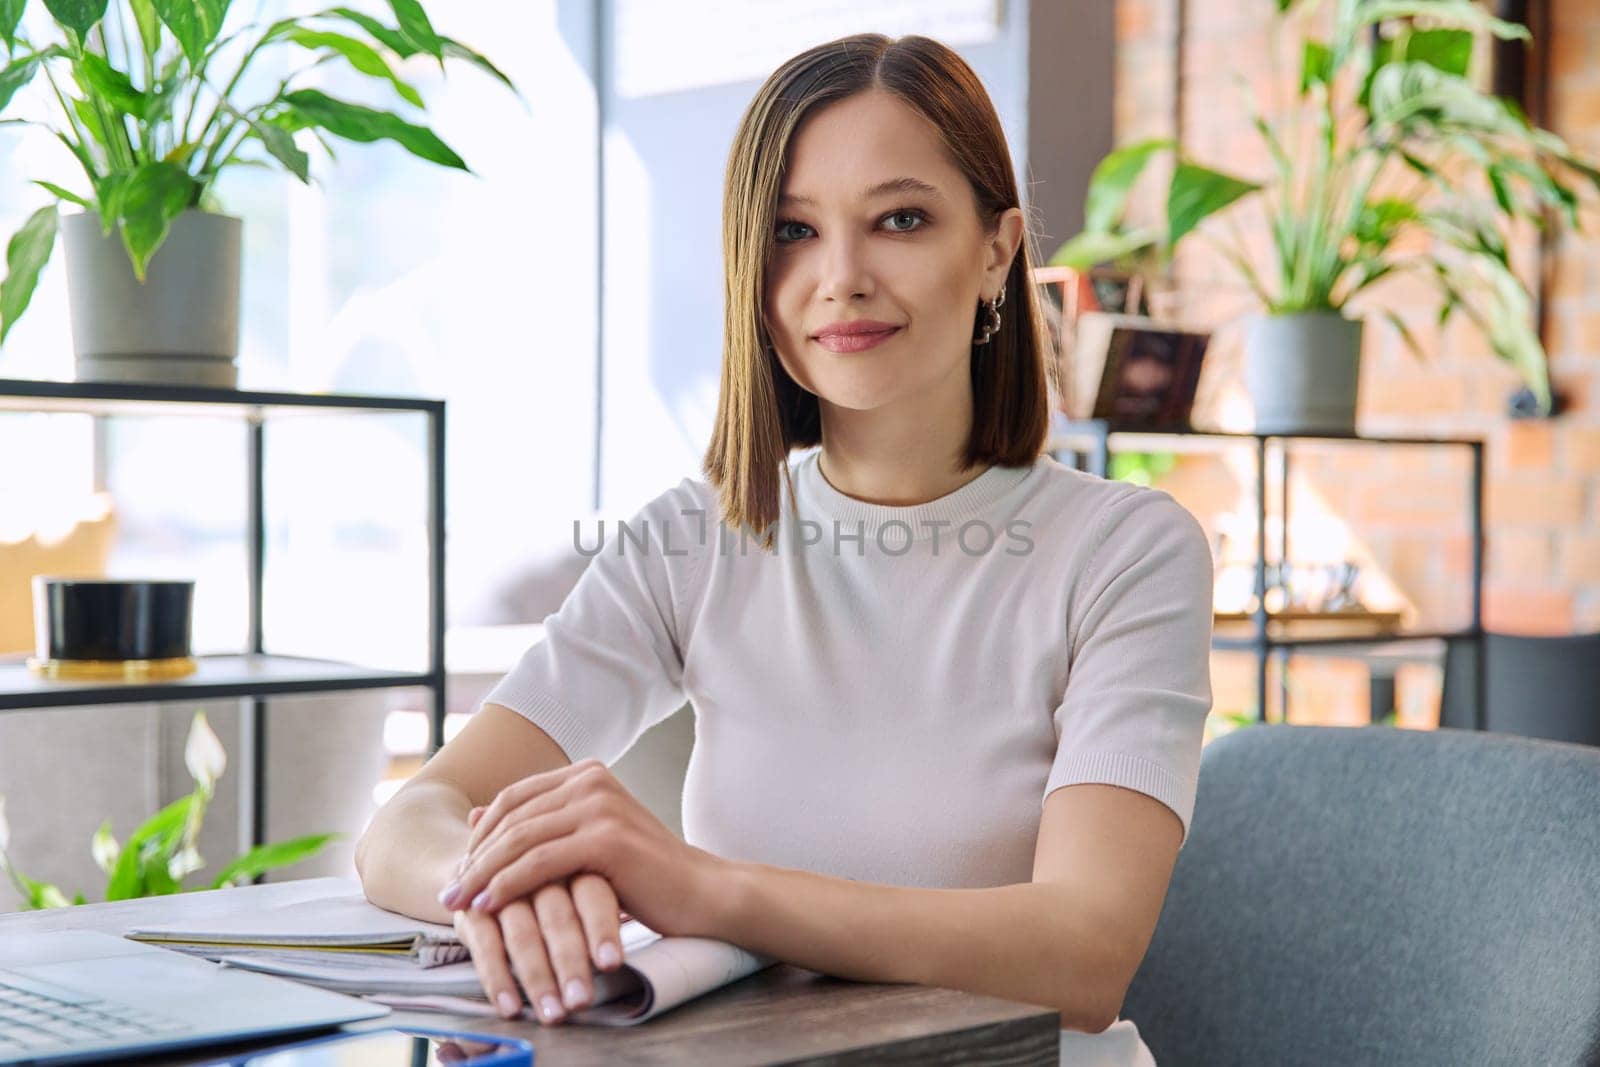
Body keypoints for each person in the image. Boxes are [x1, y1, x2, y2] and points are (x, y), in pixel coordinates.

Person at [356, 32, 1213, 1066]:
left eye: (899, 219)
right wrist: (516, 883)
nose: (839, 277)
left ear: (997, 249)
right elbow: (407, 823)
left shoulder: (1122, 551)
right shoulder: (696, 538)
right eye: (793, 231)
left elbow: (1081, 952)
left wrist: (702, 887)